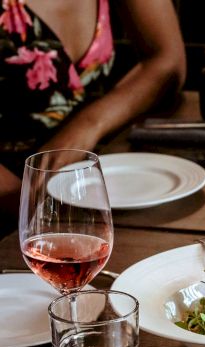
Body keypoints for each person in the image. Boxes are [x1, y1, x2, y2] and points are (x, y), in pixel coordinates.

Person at [0, 0, 186, 235]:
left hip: (87, 192)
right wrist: (31, 209)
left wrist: (87, 127)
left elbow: (168, 60)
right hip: (16, 211)